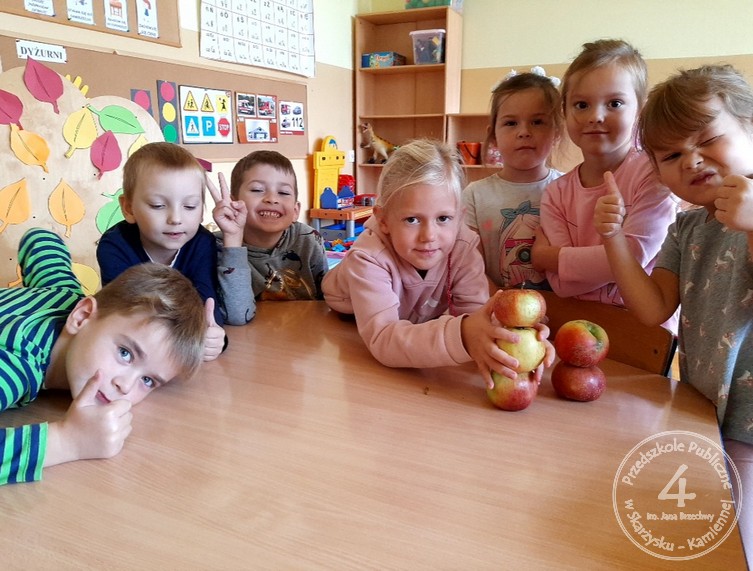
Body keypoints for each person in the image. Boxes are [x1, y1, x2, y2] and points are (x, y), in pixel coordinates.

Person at [594, 64, 753, 564]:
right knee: (710, 527)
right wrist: (613, 239)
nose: (692, 160)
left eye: (707, 139)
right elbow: (652, 308)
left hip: (748, 422)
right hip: (706, 412)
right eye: (671, 155)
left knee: (735, 543)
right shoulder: (686, 228)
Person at [322, 139, 554, 388]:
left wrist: (514, 338)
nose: (429, 236)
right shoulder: (367, 257)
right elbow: (384, 338)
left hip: (408, 315)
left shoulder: (463, 247)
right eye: (412, 220)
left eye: (443, 218)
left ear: (459, 217)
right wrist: (462, 334)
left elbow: (475, 316)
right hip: (344, 314)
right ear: (383, 220)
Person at [1, 228, 206, 485]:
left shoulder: (66, 293)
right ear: (82, 316)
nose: (125, 386)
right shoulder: (16, 364)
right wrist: (66, 441)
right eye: (125, 353)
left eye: (148, 380)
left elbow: (41, 239)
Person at [532, 39, 678, 307]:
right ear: (564, 111)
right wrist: (592, 266)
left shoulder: (655, 177)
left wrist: (546, 257)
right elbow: (563, 285)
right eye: (581, 105)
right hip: (577, 321)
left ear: (640, 111)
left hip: (643, 327)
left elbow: (633, 260)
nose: (595, 116)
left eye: (615, 103)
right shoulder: (555, 193)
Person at [96, 142, 226, 361]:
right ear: (128, 208)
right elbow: (124, 316)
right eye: (158, 205)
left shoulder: (203, 243)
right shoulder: (114, 246)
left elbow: (207, 307)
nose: (175, 218)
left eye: (190, 206)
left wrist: (214, 337)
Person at [463, 68, 564, 292]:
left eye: (537, 122)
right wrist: (498, 301)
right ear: (493, 135)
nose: (524, 132)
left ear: (556, 132)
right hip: (493, 304)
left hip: (561, 307)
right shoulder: (475, 195)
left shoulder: (569, 188)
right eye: (511, 123)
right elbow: (471, 267)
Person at [210, 150, 328, 317]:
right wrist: (233, 240)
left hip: (306, 330)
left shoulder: (308, 239)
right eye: (257, 189)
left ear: (295, 210)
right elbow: (237, 315)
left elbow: (329, 302)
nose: (272, 199)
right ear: (233, 203)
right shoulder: (215, 248)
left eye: (283, 192)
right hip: (249, 333)